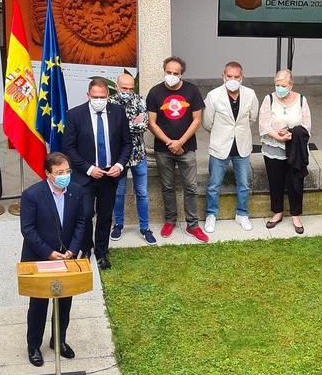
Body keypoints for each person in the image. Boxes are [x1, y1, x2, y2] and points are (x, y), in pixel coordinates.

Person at [20, 153, 89, 367]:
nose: (65, 176)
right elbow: (28, 230)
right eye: (60, 173)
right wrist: (48, 253)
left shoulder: (76, 191)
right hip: (40, 259)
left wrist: (73, 250)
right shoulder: (32, 195)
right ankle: (34, 346)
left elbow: (81, 222)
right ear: (48, 174)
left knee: (64, 304)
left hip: (67, 257)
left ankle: (58, 341)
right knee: (38, 305)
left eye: (67, 171)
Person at [63, 77, 132, 270]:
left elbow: (127, 143)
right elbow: (69, 147)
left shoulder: (118, 113)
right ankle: (86, 248)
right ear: (88, 95)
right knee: (84, 214)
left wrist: (120, 164)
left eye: (102, 96)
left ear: (108, 96)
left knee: (105, 215)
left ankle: (102, 252)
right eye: (95, 96)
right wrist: (89, 168)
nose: (99, 100)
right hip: (85, 176)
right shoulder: (75, 115)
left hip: (110, 175)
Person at [146, 56, 207, 242]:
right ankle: (170, 220)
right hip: (163, 150)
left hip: (187, 149)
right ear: (164, 71)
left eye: (176, 73)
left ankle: (193, 225)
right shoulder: (155, 92)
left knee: (191, 187)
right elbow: (151, 123)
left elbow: (197, 120)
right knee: (167, 186)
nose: (171, 76)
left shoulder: (192, 91)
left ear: (181, 74)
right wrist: (170, 143)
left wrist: (180, 142)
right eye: (169, 72)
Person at [203, 61, 259, 233]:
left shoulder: (250, 94)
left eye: (236, 76)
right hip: (220, 146)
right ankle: (211, 214)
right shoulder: (213, 96)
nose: (232, 79)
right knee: (214, 185)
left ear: (242, 77)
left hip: (241, 146)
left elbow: (252, 118)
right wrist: (222, 133)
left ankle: (242, 214)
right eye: (229, 76)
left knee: (244, 184)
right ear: (223, 76)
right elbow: (207, 122)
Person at [258, 70, 312, 233]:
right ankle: (277, 212)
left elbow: (307, 125)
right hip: (273, 147)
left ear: (291, 85)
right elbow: (264, 123)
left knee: (295, 182)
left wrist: (291, 135)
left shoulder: (302, 100)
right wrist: (277, 136)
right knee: (275, 181)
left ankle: (296, 215)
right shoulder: (268, 99)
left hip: (295, 149)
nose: (279, 88)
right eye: (277, 85)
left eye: (283, 85)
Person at [111, 71, 155, 244]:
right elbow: (112, 129)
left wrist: (123, 126)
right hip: (118, 158)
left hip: (139, 155)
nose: (127, 91)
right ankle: (118, 225)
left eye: (130, 88)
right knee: (118, 193)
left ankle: (145, 228)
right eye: (124, 88)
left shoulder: (140, 100)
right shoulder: (110, 102)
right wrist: (132, 124)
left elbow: (144, 125)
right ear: (116, 87)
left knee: (142, 193)